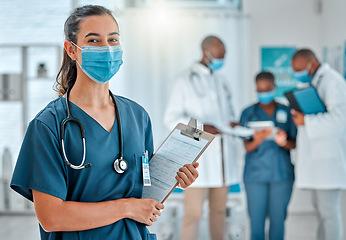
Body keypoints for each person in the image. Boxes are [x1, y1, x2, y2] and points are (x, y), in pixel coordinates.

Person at [10, 5, 199, 240]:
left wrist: (174, 178)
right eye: (94, 41)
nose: (106, 49)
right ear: (71, 50)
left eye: (112, 40)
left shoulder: (137, 116)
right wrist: (126, 207)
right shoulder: (48, 125)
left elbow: (143, 188)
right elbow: (51, 218)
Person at [164, 35, 238, 240]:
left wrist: (232, 124)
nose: (222, 58)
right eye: (219, 54)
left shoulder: (221, 80)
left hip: (223, 161)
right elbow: (171, 119)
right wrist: (202, 129)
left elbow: (228, 114)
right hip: (199, 162)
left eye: (224, 54)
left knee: (219, 212)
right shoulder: (184, 79)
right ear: (206, 52)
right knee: (194, 214)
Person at [290, 49, 346, 240]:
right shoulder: (312, 82)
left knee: (329, 213)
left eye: (299, 70)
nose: (298, 74)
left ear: (312, 64)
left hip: (329, 162)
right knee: (322, 213)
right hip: (316, 162)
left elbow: (339, 120)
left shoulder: (333, 81)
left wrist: (306, 121)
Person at [239, 72, 297, 240]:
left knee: (278, 221)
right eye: (260, 89)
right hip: (255, 176)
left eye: (267, 89)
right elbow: (247, 147)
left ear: (274, 88)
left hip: (281, 174)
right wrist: (259, 139)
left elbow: (294, 144)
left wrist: (283, 141)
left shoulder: (286, 111)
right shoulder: (248, 113)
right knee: (256, 222)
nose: (263, 93)